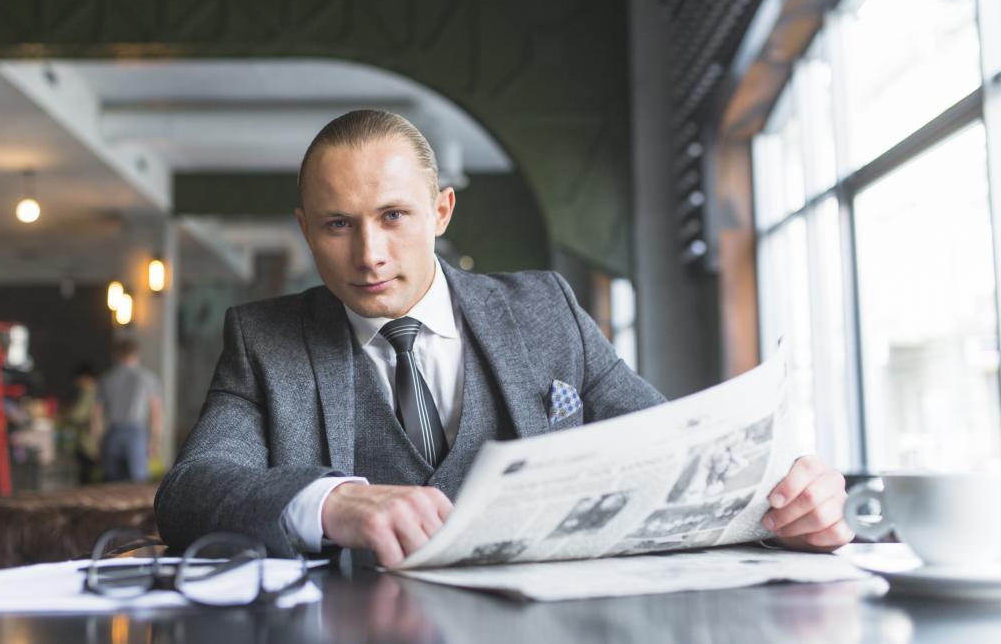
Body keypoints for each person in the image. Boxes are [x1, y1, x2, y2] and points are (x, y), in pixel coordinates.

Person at [156, 110, 852, 566]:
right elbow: (190, 494)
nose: (368, 253)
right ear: (306, 229)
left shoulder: (546, 309)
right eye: (338, 225)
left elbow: (669, 449)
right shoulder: (263, 340)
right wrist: (331, 501)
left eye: (393, 215)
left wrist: (779, 503)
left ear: (441, 209)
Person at [95, 339, 163, 483]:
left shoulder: (107, 378)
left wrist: (98, 442)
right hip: (137, 434)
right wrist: (155, 441)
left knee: (112, 484)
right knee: (138, 485)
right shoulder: (148, 378)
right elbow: (155, 413)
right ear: (137, 353)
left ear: (117, 355)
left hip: (113, 432)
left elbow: (96, 415)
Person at [61, 363, 102, 484]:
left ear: (84, 377)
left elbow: (77, 415)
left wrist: (63, 414)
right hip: (98, 440)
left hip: (87, 442)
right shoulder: (100, 389)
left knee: (86, 477)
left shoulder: (88, 391)